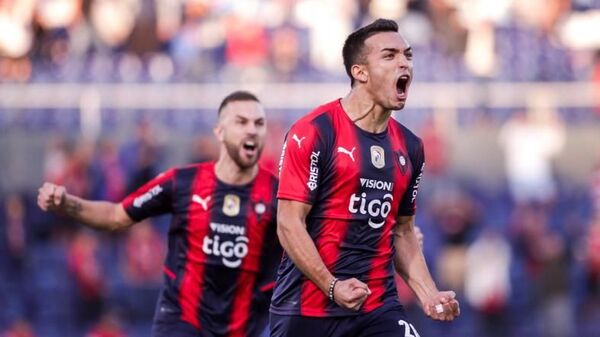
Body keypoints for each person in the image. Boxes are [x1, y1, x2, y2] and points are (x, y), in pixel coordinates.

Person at [271, 18, 460, 337]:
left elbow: (403, 232)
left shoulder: (410, 147)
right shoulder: (314, 133)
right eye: (389, 55)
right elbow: (289, 223)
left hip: (377, 308)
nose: (404, 62)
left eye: (408, 55)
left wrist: (429, 295)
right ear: (359, 72)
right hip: (307, 310)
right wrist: (332, 286)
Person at [37, 91, 280, 337]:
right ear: (219, 131)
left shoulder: (279, 196)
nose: (252, 130)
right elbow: (115, 215)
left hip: (246, 329)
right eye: (241, 122)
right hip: (182, 324)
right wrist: (68, 204)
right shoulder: (183, 183)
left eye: (259, 123)